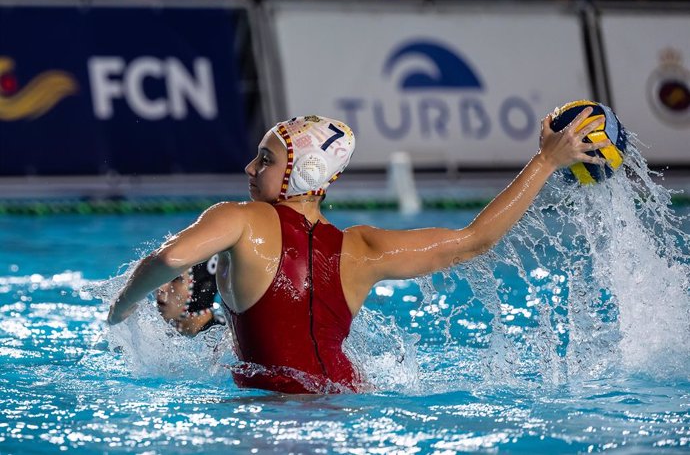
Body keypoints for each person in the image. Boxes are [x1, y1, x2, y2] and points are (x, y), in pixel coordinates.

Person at [108, 110, 608, 394]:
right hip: (349, 402)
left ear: (300, 173)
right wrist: (545, 161)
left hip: (270, 414)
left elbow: (170, 260)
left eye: (265, 159)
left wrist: (122, 307)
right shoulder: (362, 248)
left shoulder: (237, 218)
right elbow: (476, 239)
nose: (248, 167)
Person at [156, 255, 224, 336]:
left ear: (199, 288)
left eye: (175, 279)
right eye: (161, 276)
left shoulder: (222, 341)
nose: (161, 288)